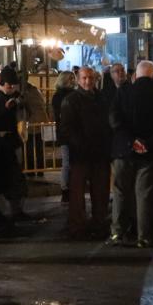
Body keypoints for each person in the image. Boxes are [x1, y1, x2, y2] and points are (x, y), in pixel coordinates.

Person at [107, 61, 153, 248]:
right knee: (145, 194)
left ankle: (118, 233)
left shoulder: (123, 93)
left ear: (135, 75)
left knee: (121, 192)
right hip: (150, 153)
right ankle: (144, 236)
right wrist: (148, 143)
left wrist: (131, 140)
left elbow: (114, 119)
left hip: (123, 150)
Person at [60, 67, 111, 239]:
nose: (88, 81)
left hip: (99, 153)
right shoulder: (71, 100)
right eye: (84, 78)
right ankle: (78, 226)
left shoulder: (101, 98)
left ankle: (99, 223)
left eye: (90, 78)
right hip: (81, 154)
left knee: (100, 193)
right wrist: (81, 144)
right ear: (78, 79)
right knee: (77, 194)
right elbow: (67, 128)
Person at [0, 67, 29, 220]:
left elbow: (25, 114)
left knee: (15, 177)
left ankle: (16, 210)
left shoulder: (16, 97)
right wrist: (4, 108)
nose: (11, 87)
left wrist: (20, 104)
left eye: (14, 85)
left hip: (12, 141)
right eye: (9, 84)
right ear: (2, 83)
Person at [51, 71, 77, 203]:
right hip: (66, 133)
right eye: (70, 78)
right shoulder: (62, 96)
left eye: (73, 78)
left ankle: (69, 188)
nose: (73, 80)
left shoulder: (64, 95)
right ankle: (65, 189)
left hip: (69, 133)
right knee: (67, 162)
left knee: (71, 162)